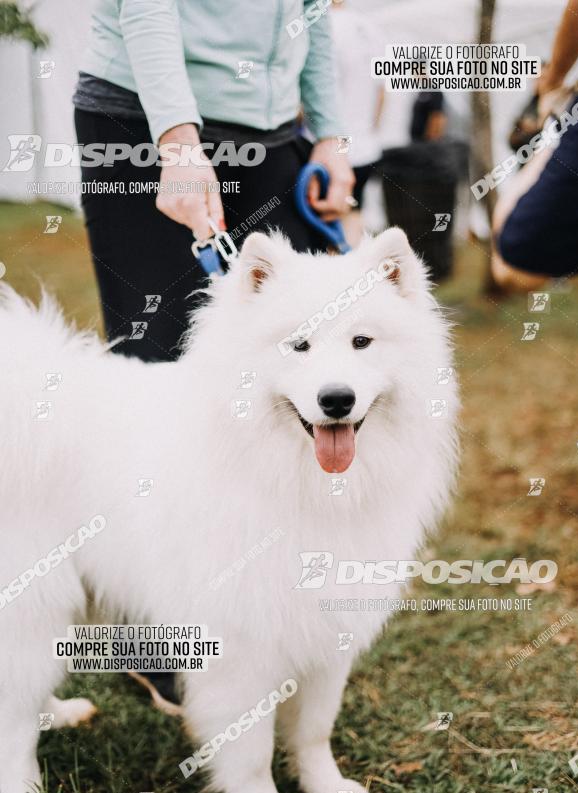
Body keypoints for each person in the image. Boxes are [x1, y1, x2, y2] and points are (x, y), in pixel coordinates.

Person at [72, 0, 354, 705]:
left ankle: (269, 613)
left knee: (296, 374)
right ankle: (148, 636)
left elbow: (312, 11)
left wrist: (330, 137)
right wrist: (176, 142)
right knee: (162, 380)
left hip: (273, 131)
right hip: (143, 116)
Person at [493, 0, 578, 291]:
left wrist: (555, 80)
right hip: (543, 159)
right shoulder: (532, 105)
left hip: (563, 146)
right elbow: (514, 136)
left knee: (515, 250)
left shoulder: (551, 98)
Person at [330, 0, 384, 245]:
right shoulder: (369, 27)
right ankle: (354, 272)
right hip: (365, 147)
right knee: (353, 213)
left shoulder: (324, 25)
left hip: (334, 148)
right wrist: (368, 129)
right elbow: (382, 92)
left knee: (330, 218)